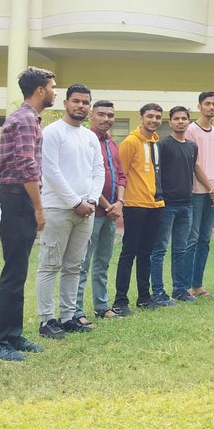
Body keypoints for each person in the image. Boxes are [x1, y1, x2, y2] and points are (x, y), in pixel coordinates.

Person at [0, 66, 55, 363]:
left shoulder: (28, 119)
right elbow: (27, 166)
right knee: (14, 272)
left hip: (19, 198)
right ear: (40, 90)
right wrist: (38, 207)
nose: (54, 92)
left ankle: (12, 334)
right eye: (52, 87)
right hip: (16, 200)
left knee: (19, 270)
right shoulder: (25, 120)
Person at [36, 84, 104, 340]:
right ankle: (46, 320)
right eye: (76, 101)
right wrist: (76, 202)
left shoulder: (89, 137)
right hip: (57, 208)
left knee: (74, 266)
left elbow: (99, 170)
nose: (81, 106)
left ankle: (68, 317)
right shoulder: (52, 132)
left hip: (86, 210)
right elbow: (51, 171)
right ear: (66, 103)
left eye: (85, 102)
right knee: (49, 265)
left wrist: (91, 200)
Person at [113, 104, 165, 312]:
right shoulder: (130, 142)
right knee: (129, 253)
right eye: (150, 116)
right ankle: (120, 301)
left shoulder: (156, 143)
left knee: (146, 253)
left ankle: (145, 297)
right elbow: (121, 175)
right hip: (135, 205)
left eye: (158, 117)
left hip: (156, 205)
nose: (153, 120)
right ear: (141, 118)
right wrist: (121, 201)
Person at [152, 106, 206, 303]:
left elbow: (192, 172)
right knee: (159, 249)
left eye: (184, 118)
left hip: (187, 204)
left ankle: (180, 289)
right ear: (170, 122)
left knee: (181, 249)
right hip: (167, 205)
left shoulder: (192, 146)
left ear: (189, 121)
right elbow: (156, 175)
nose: (181, 121)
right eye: (176, 118)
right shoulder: (163, 145)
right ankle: (158, 291)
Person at [78, 100, 125, 321]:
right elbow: (88, 179)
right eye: (102, 114)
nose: (107, 119)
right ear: (91, 116)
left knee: (103, 262)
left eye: (111, 115)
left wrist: (120, 203)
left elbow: (121, 175)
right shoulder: (86, 141)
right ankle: (76, 310)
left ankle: (102, 306)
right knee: (82, 263)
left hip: (113, 212)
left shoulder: (112, 144)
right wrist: (108, 206)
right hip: (93, 212)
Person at [184, 91, 214, 298]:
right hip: (196, 192)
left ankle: (198, 284)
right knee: (192, 238)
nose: (211, 107)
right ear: (199, 106)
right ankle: (186, 285)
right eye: (207, 103)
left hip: (213, 193)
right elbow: (195, 162)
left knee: (205, 240)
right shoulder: (191, 130)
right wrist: (211, 188)